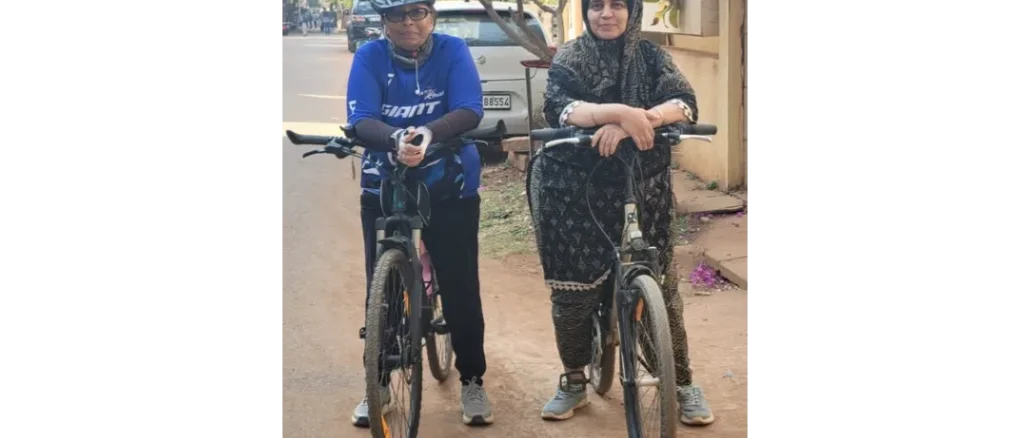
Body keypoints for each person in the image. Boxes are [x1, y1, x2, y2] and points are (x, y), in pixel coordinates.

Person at [527, 0, 716, 427]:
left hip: (641, 182)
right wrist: (618, 113)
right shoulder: (570, 59)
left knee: (662, 288)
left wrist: (640, 119)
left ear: (632, 11)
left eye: (617, 5)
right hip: (573, 188)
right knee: (573, 292)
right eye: (596, 6)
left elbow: (684, 102)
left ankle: (682, 384)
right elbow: (562, 109)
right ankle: (574, 380)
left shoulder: (651, 57)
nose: (606, 14)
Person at [345, 0, 494, 428]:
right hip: (384, 183)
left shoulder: (453, 50)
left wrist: (429, 132)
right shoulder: (370, 55)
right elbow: (360, 119)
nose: (408, 23)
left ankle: (473, 378)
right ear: (384, 21)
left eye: (417, 12)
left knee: (461, 283)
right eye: (397, 15)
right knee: (383, 285)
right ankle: (380, 379)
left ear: (432, 16)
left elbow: (469, 108)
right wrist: (396, 140)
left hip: (450, 185)